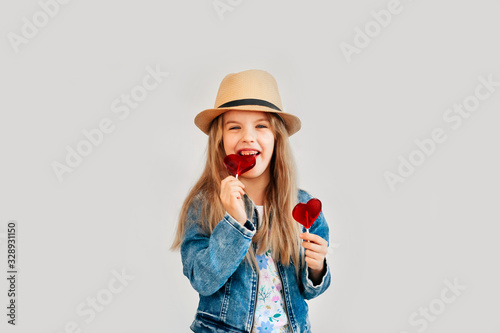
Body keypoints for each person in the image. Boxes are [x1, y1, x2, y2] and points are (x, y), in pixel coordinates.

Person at [171, 69, 331, 333]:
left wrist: (317, 267)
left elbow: (311, 291)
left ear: (276, 137)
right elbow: (203, 280)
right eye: (234, 127)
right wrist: (235, 222)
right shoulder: (203, 205)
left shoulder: (303, 206)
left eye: (261, 126)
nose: (248, 136)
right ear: (220, 140)